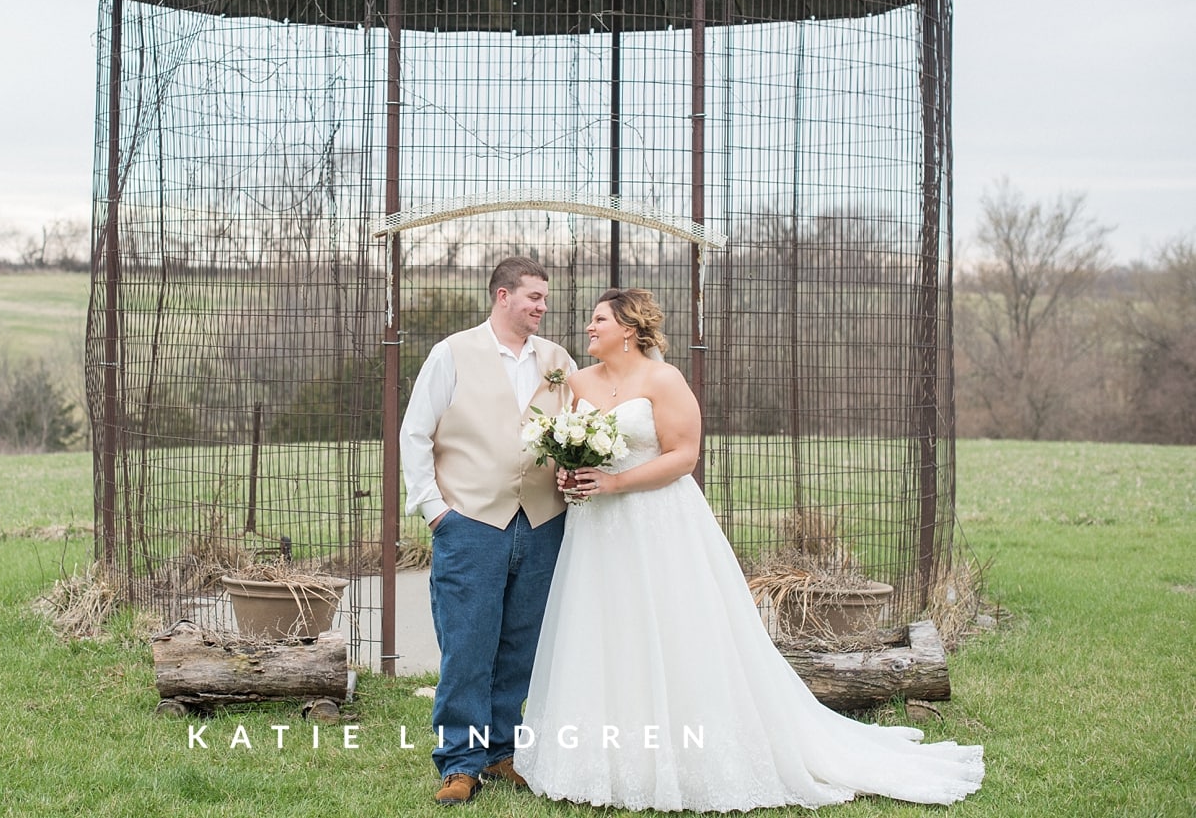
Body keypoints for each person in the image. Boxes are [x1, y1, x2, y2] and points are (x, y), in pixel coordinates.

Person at [514, 288, 984, 812]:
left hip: (657, 524)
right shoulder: (577, 383)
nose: (589, 327)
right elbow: (564, 446)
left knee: (673, 627)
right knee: (604, 628)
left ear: (628, 328)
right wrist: (569, 472)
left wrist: (617, 484)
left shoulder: (663, 380)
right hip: (596, 531)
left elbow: (684, 455)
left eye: (598, 319)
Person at [401, 256, 577, 806]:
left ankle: (502, 752)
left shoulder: (558, 361)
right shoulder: (451, 353)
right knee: (468, 645)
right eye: (533, 298)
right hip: (471, 522)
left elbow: (576, 428)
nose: (542, 307)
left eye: (545, 299)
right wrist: (435, 510)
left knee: (522, 645)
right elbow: (415, 433)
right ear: (503, 296)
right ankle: (460, 762)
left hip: (544, 522)